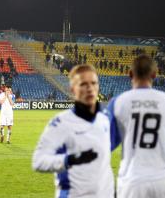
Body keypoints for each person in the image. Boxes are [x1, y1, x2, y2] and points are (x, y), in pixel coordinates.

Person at [107, 55, 165, 198]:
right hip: (164, 183)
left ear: (130, 74)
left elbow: (103, 145)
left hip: (132, 182)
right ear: (154, 75)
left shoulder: (119, 102)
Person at [32, 64, 114, 198]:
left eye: (94, 83)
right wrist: (70, 160)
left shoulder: (104, 118)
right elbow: (39, 161)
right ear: (72, 89)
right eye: (83, 84)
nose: (90, 88)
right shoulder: (60, 123)